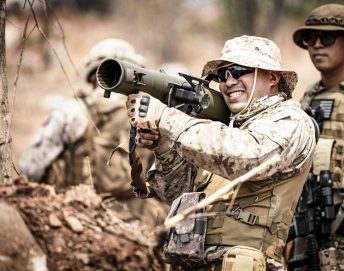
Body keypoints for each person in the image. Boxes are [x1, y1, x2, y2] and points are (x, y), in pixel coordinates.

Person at [124, 35, 316, 270]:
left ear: (273, 77)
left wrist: (168, 119)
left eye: (239, 70)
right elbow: (174, 193)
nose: (229, 81)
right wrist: (164, 147)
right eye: (222, 75)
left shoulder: (292, 121)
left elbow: (249, 158)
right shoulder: (224, 129)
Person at [19, 38, 168, 228]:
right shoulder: (154, 115)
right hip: (138, 224)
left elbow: (30, 168)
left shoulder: (72, 111)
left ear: (93, 73)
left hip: (78, 222)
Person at [289, 4, 344, 270]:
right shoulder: (308, 97)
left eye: (327, 37)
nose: (316, 45)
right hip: (309, 241)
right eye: (309, 39)